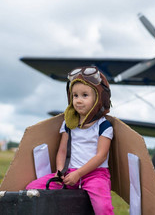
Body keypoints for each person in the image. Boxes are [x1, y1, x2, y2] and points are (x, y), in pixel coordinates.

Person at [26, 66, 114, 214]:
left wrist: (79, 174)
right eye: (75, 96)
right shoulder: (68, 124)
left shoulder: (104, 125)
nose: (79, 100)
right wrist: (59, 172)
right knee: (32, 189)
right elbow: (62, 151)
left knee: (103, 206)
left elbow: (101, 156)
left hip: (95, 175)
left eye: (85, 95)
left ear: (99, 98)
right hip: (69, 173)